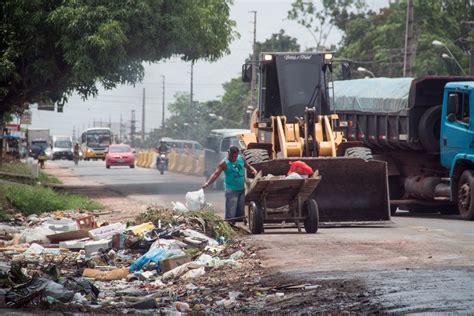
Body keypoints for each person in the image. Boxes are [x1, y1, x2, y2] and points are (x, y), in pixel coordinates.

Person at [202, 146, 257, 223]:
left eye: (235, 156)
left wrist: (252, 170)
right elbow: (215, 174)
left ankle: (239, 227)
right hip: (231, 191)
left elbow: (247, 166)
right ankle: (230, 226)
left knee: (240, 211)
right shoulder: (224, 163)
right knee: (231, 213)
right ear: (228, 153)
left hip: (241, 189)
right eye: (232, 156)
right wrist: (207, 183)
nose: (234, 158)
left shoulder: (241, 159)